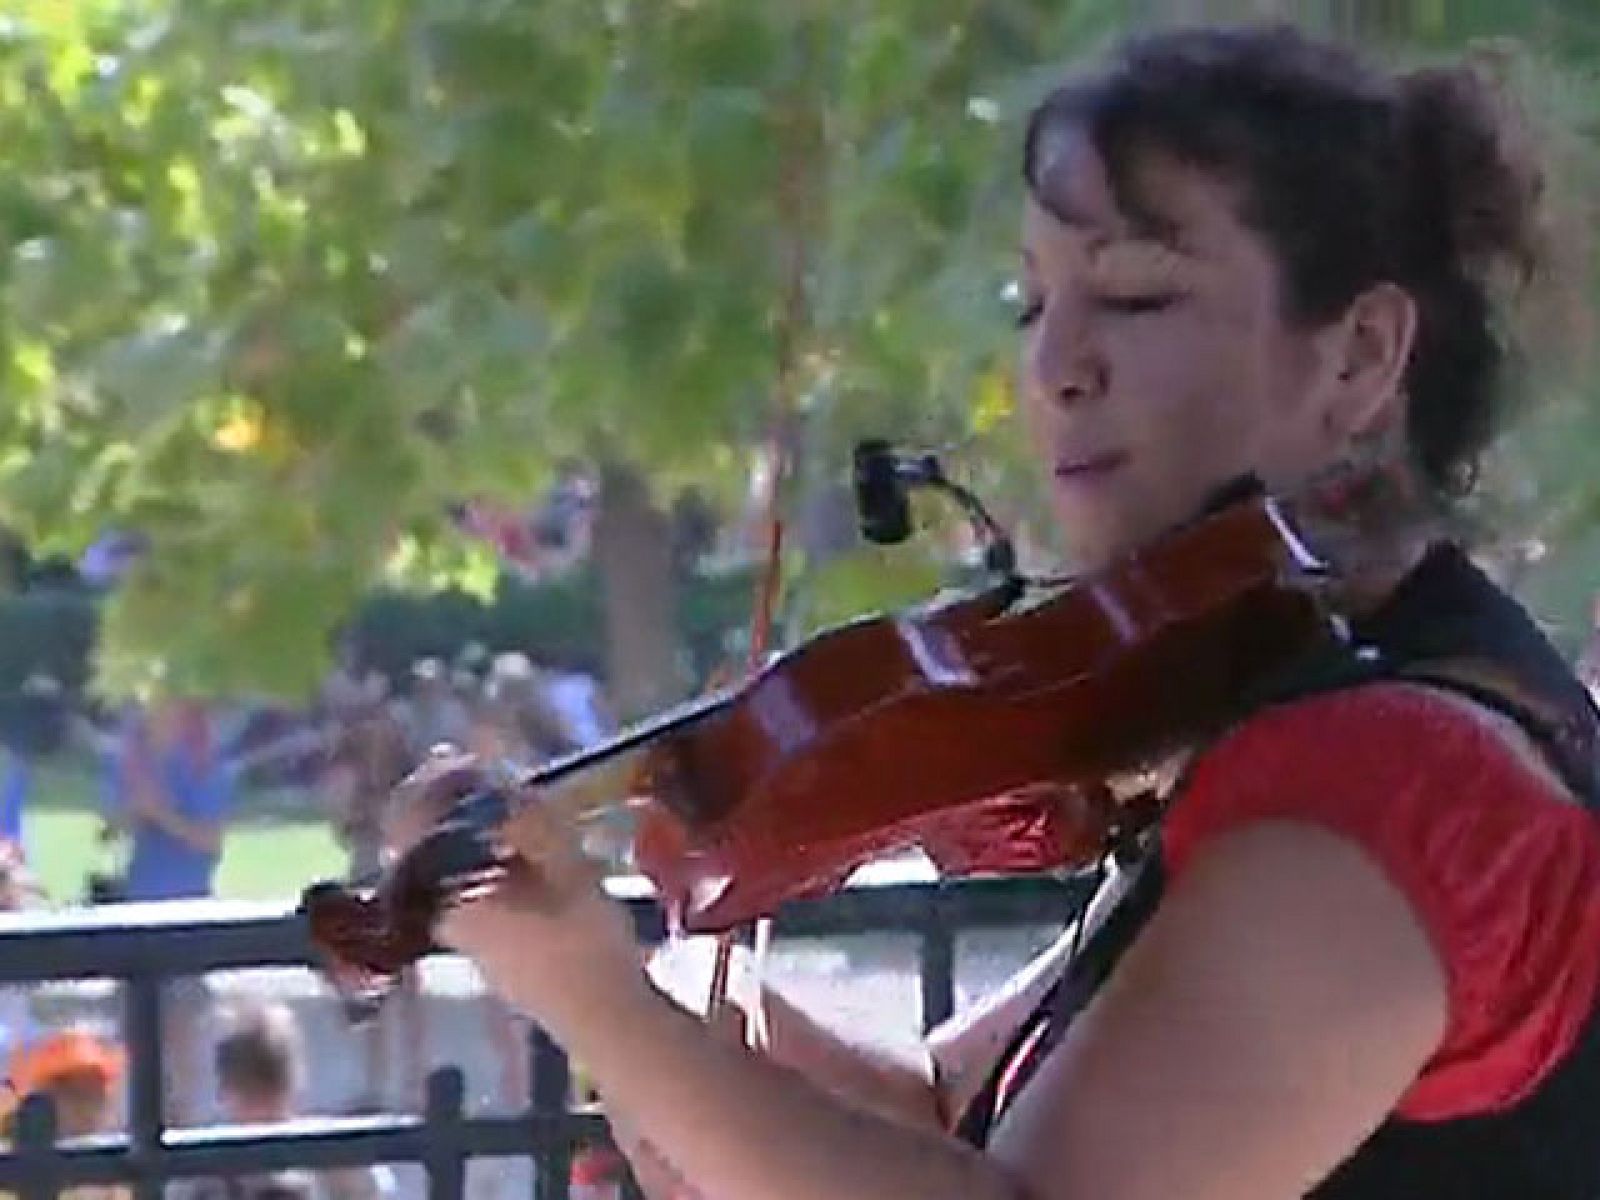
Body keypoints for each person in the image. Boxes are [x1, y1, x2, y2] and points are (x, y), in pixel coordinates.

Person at [387, 24, 1600, 1200]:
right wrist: (655, 1023)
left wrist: (600, 1005)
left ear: (1357, 356)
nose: (1055, 363)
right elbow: (935, 1112)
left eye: (1132, 295)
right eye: (1031, 301)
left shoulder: (1393, 783)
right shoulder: (1290, 708)